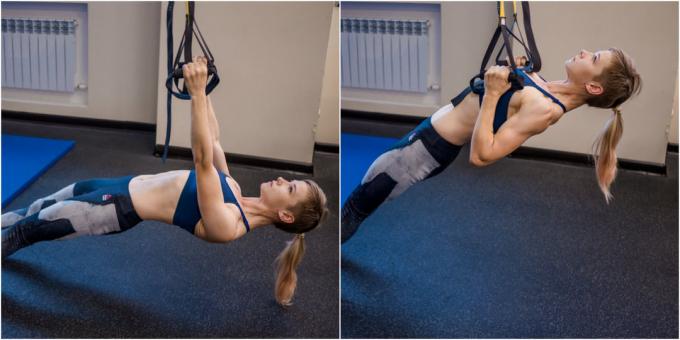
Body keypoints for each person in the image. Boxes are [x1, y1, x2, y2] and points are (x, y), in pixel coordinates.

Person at [2, 56, 328, 306]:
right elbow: (212, 140)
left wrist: (198, 91)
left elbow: (201, 161)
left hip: (113, 209)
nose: (283, 179)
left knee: (26, 231)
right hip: (114, 184)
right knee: (37, 206)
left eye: (290, 188)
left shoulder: (228, 225)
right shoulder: (234, 188)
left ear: (286, 215)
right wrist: (204, 82)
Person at [342, 48, 641, 243]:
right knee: (362, 197)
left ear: (594, 87)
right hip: (425, 134)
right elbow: (492, 93)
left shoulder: (547, 109)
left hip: (427, 152)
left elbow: (482, 156)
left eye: (594, 59)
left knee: (359, 203)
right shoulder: (544, 83)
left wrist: (494, 93)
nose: (585, 52)